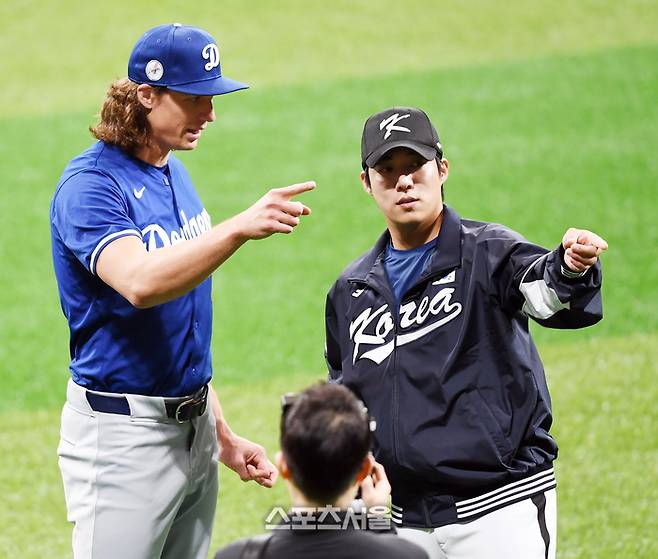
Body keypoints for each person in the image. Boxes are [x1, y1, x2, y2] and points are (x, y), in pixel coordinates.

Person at [50, 23, 315, 559]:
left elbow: (179, 328)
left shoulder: (173, 173)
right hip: (124, 440)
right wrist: (239, 226)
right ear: (146, 95)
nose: (210, 114)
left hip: (193, 433)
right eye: (195, 98)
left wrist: (220, 434)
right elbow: (141, 283)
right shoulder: (91, 187)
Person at [324, 106, 608, 559]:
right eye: (387, 171)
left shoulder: (489, 253)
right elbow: (347, 395)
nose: (403, 182)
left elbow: (545, 294)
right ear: (366, 183)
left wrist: (570, 268)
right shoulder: (351, 290)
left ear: (442, 169)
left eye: (415, 167)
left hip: (499, 507)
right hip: (404, 517)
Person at [214, 383, 429, 559]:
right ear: (364, 470)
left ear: (283, 466)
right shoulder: (409, 555)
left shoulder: (234, 556)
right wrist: (377, 519)